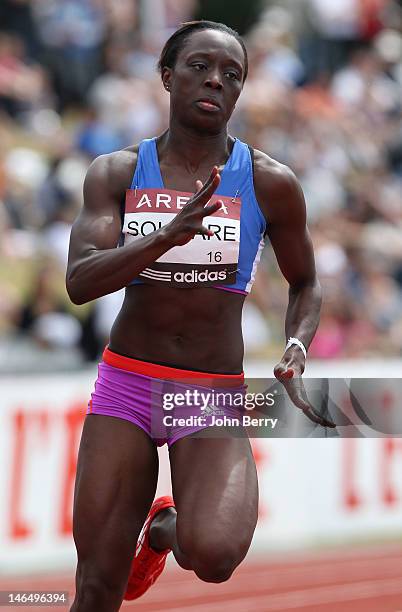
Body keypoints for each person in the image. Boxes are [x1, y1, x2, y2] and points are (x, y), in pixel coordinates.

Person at [66, 20, 335, 612]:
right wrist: (163, 237)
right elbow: (80, 283)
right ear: (167, 76)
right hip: (128, 385)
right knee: (96, 588)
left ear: (240, 93)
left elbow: (307, 282)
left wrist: (296, 345)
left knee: (214, 555)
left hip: (209, 393)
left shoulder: (270, 183)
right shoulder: (115, 173)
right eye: (199, 66)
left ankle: (163, 529)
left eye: (232, 74)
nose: (215, 80)